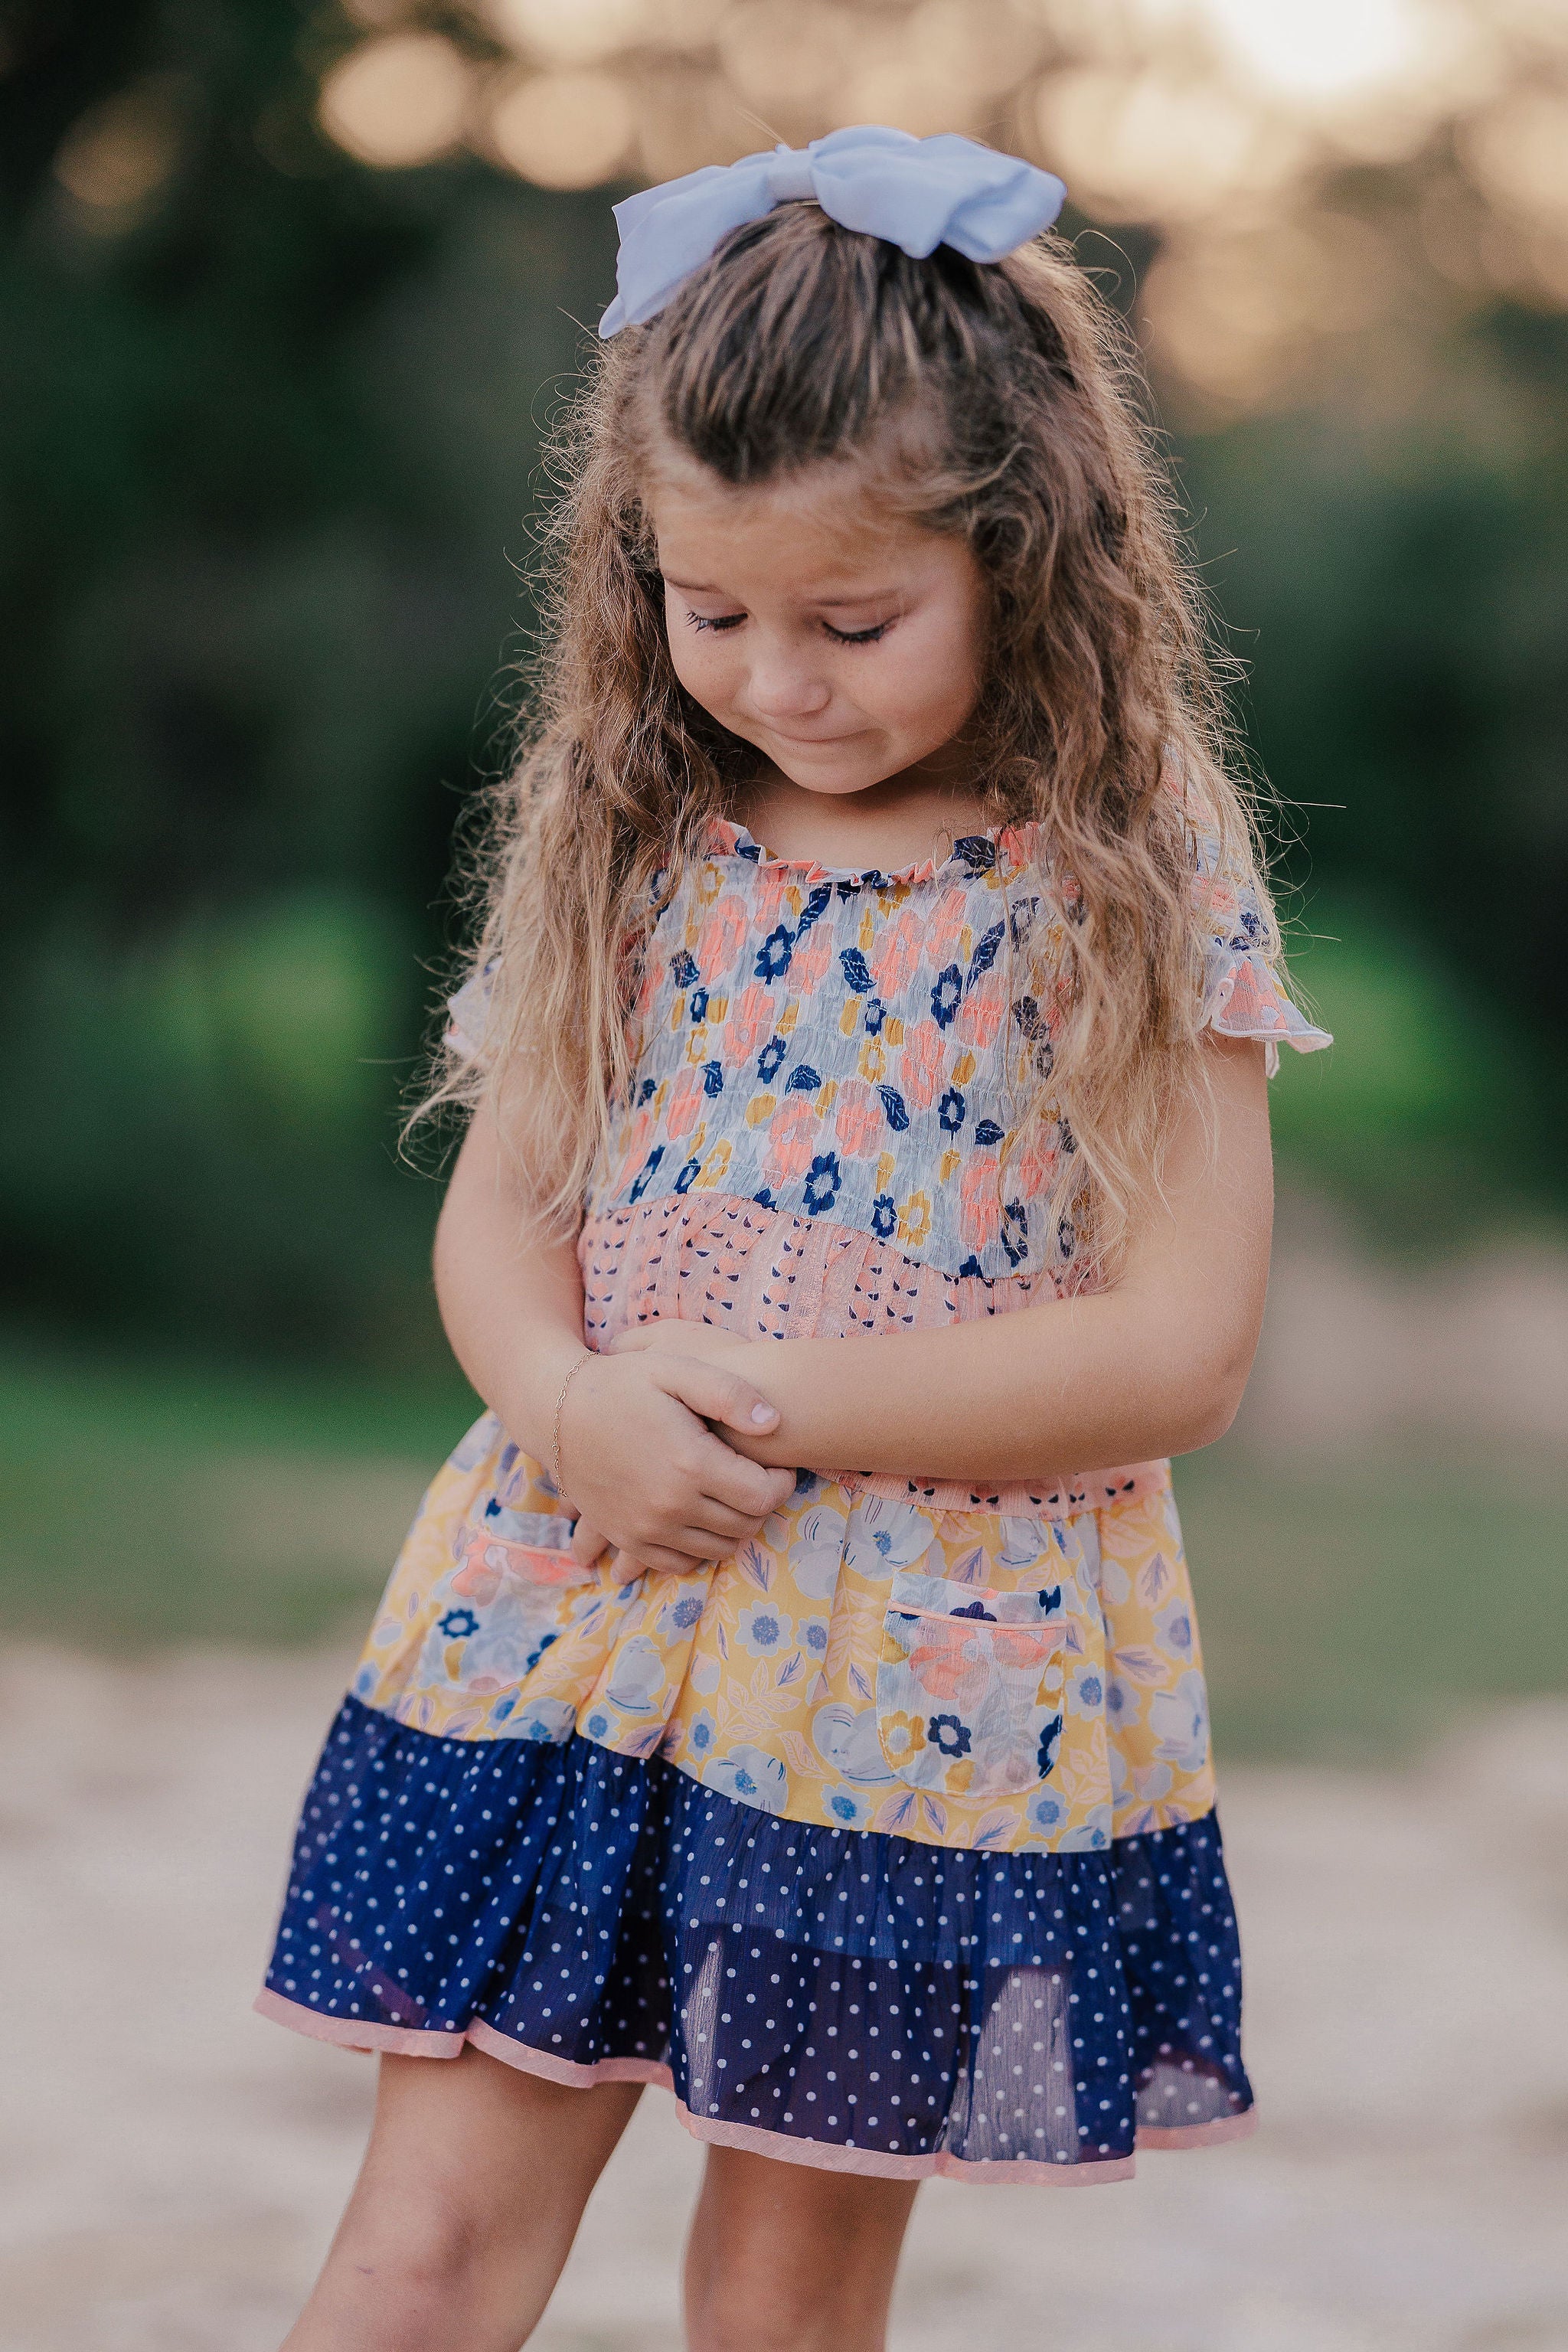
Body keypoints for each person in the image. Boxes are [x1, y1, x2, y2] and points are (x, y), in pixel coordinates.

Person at [258, 126, 1330, 2352]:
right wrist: (572, 1408)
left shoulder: (1126, 861)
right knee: (427, 2245)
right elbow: (501, 1223)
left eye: (853, 621)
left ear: (1021, 555)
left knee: (778, 2294)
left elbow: (1182, 1347)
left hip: (914, 1685)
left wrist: (748, 1407)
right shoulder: (628, 827)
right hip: (572, 1602)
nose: (777, 679)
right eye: (707, 607)